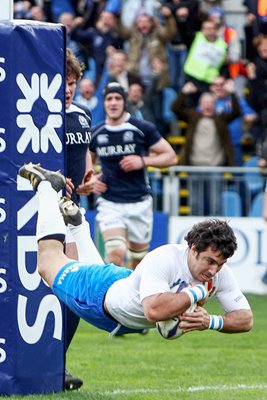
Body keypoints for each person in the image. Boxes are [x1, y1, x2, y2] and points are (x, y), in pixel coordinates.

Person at [18, 163, 254, 344]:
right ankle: (48, 187)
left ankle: (78, 225)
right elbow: (153, 311)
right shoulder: (165, 258)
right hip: (100, 300)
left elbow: (246, 318)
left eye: (220, 265)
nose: (213, 270)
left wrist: (212, 321)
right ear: (193, 249)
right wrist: (197, 292)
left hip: (122, 287)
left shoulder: (219, 273)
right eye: (209, 261)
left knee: (93, 270)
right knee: (48, 264)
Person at [89, 82, 177, 269]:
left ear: (125, 102)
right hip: (110, 203)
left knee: (138, 263)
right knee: (115, 255)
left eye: (117, 98)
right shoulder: (97, 132)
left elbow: (171, 157)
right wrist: (91, 180)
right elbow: (87, 164)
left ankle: (131, 296)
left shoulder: (142, 128)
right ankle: (112, 297)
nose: (113, 103)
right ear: (104, 103)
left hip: (139, 203)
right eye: (109, 99)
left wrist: (142, 161)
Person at [63, 48, 94, 391]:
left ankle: (58, 362)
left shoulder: (83, 116)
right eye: (64, 82)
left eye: (73, 83)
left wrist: (87, 179)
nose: (68, 89)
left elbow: (84, 157)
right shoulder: (37, 115)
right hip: (42, 213)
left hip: (72, 212)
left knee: (76, 292)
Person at [171, 80, 240, 215]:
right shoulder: (193, 117)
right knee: (195, 204)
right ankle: (197, 235)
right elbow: (176, 109)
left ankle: (216, 234)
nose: (208, 105)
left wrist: (232, 93)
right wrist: (184, 93)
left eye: (211, 103)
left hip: (215, 168)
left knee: (215, 205)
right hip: (195, 167)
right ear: (200, 105)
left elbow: (236, 112)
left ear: (214, 106)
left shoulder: (220, 119)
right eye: (205, 103)